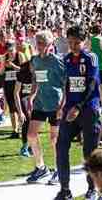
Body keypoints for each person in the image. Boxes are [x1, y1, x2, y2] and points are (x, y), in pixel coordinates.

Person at [56, 25, 102, 200]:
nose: (73, 46)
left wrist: (78, 106)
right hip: (70, 110)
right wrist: (63, 106)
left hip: (88, 108)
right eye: (70, 42)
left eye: (77, 42)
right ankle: (64, 189)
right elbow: (67, 85)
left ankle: (92, 188)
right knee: (61, 146)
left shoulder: (91, 58)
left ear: (85, 42)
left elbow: (91, 84)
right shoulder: (66, 59)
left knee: (89, 151)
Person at [26, 30, 65, 185]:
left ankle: (59, 170)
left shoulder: (57, 61)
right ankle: (41, 167)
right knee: (31, 135)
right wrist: (31, 96)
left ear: (50, 45)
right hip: (40, 103)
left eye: (42, 43)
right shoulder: (34, 60)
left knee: (54, 139)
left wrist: (63, 105)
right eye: (38, 43)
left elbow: (65, 83)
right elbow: (35, 79)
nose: (39, 46)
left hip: (55, 103)